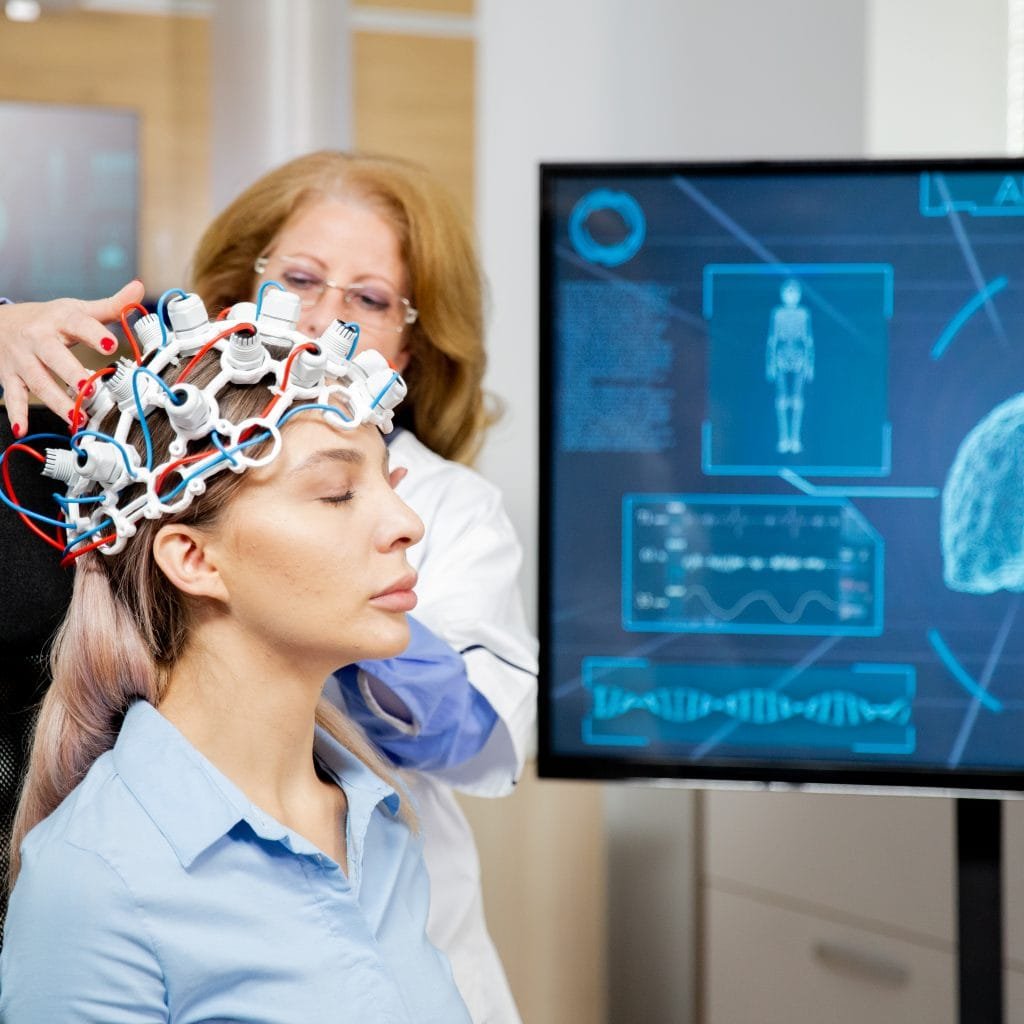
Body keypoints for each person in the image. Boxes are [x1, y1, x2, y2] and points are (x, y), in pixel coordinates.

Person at [0, 151, 537, 1024]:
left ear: (411, 337)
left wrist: (345, 609)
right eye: (299, 280)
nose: (327, 318)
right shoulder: (102, 887)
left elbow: (483, 736)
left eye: (368, 298)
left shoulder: (377, 831)